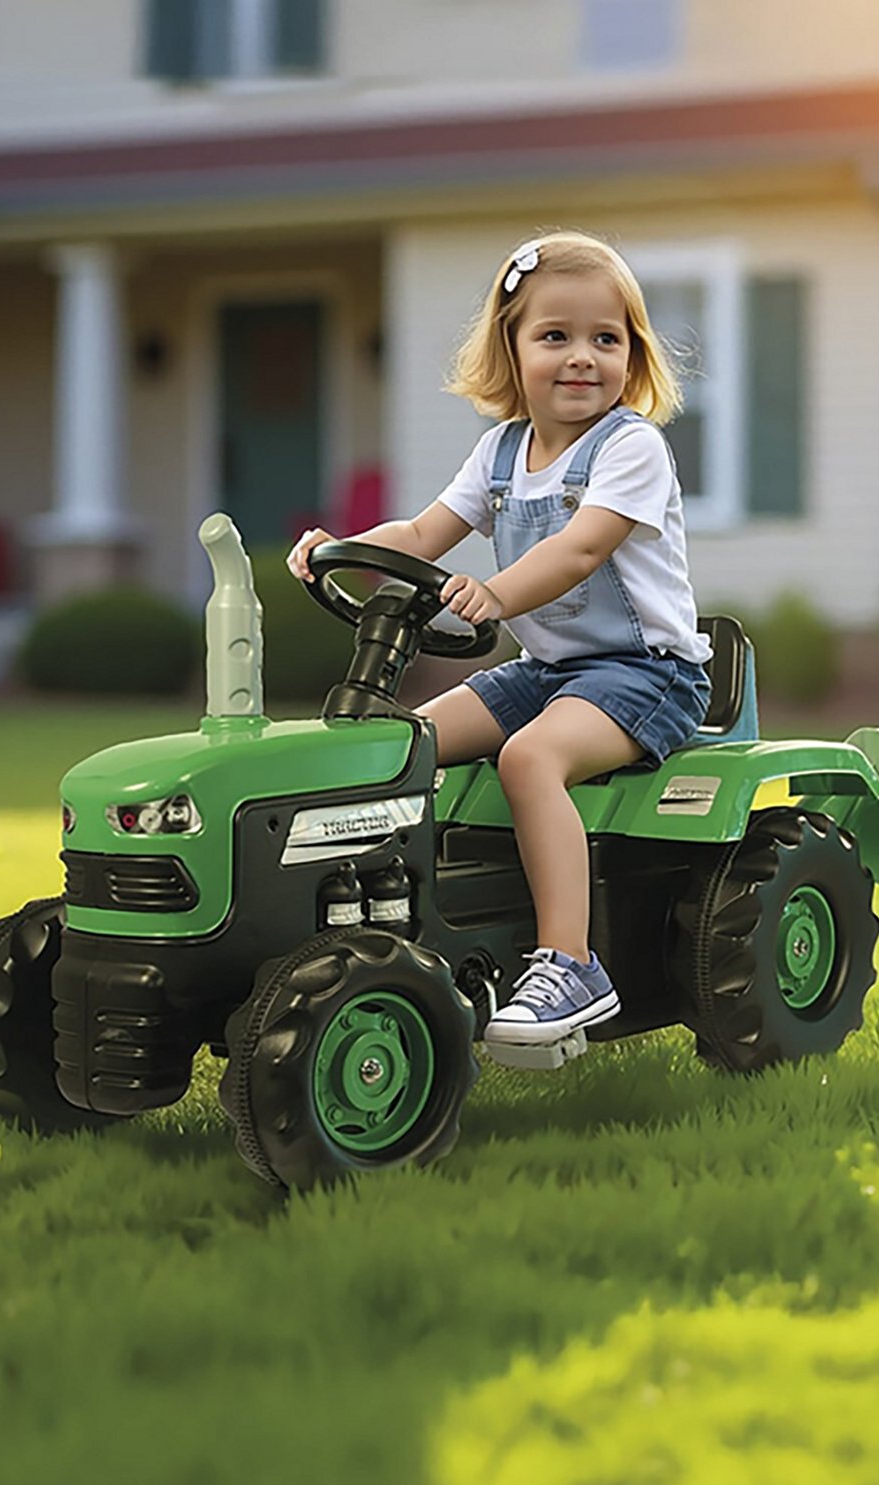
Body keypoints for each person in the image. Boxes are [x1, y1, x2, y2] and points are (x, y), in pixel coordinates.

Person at [288, 230, 712, 1047]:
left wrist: (494, 592)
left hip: (644, 675)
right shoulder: (502, 452)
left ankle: (570, 963)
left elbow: (581, 548)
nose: (582, 357)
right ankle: (382, 918)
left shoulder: (631, 447)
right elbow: (420, 533)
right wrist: (339, 549)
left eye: (607, 339)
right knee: (398, 747)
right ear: (512, 348)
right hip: (546, 671)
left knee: (529, 758)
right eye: (555, 336)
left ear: (633, 354)